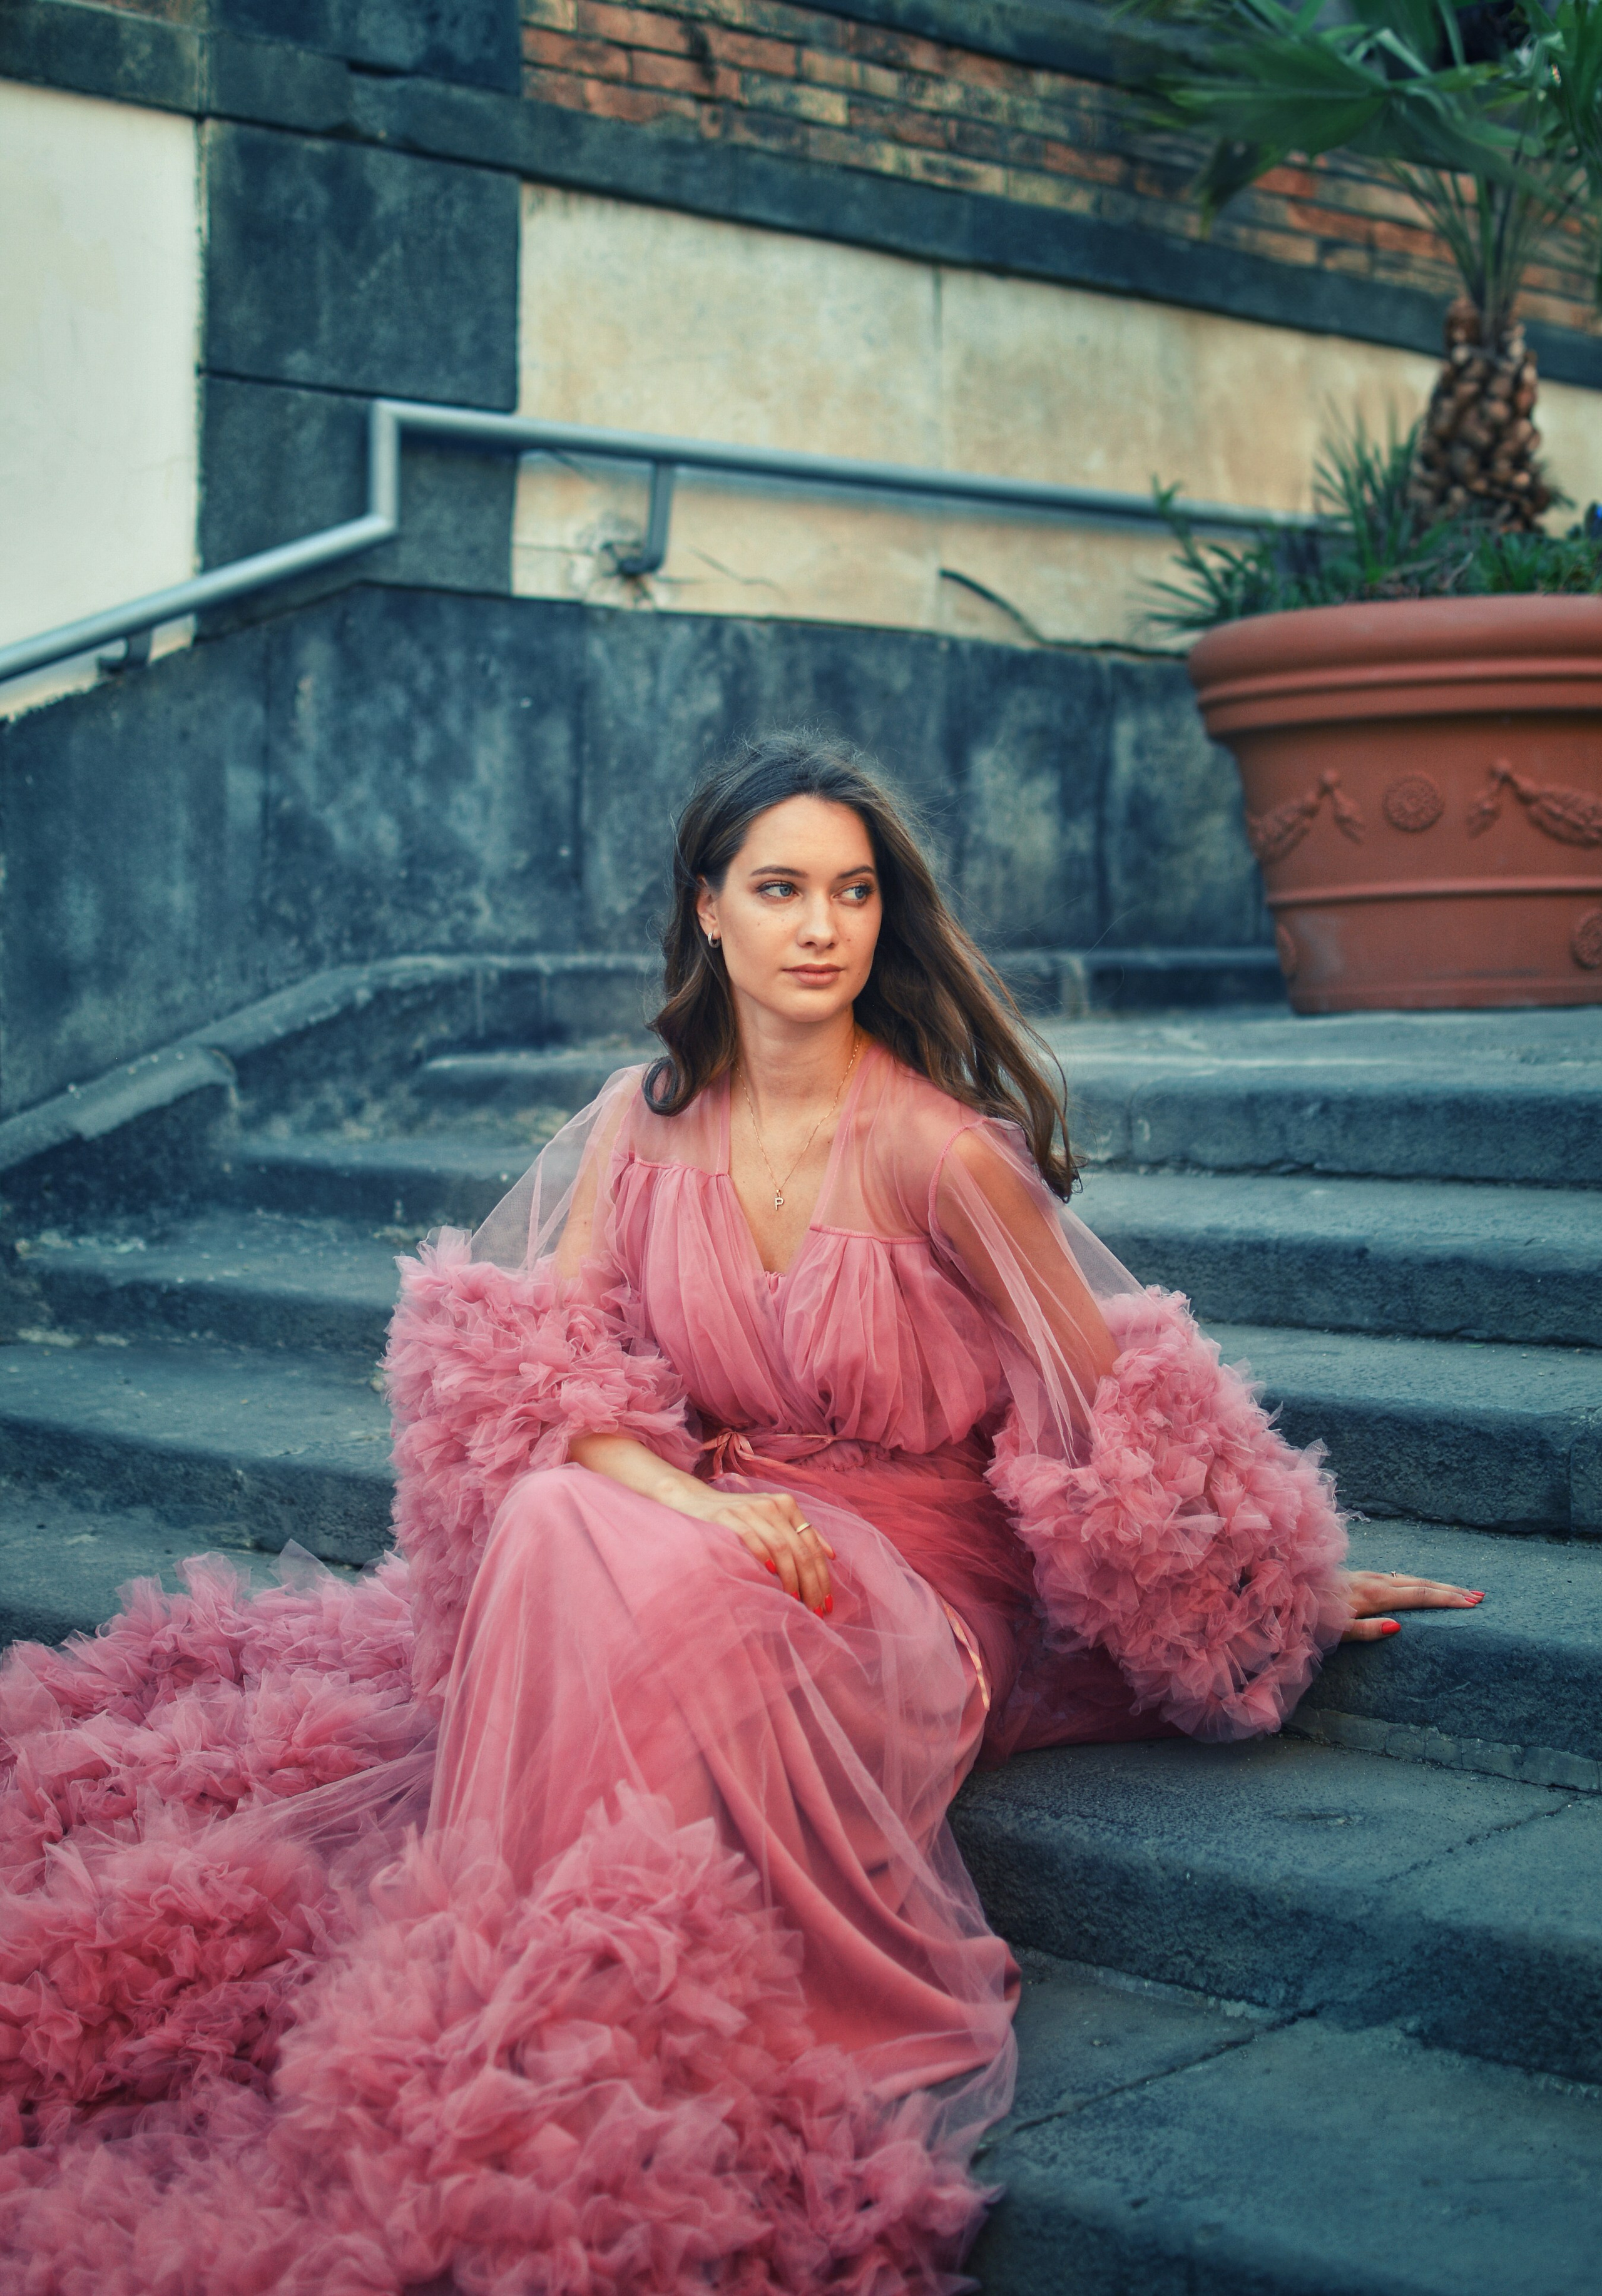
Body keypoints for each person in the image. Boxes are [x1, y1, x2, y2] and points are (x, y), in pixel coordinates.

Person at [0, 732, 1478, 2292]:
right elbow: (534, 1366)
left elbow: (1120, 1402)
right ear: (708, 909)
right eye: (779, 889)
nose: (820, 926)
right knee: (564, 1516)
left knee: (597, 1548)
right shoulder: (639, 1124)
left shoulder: (937, 1151)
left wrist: (1265, 1581)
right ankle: (537, 1991)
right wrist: (669, 1488)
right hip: (702, 1526)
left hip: (908, 1586)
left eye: (850, 892)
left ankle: (582, 2003)